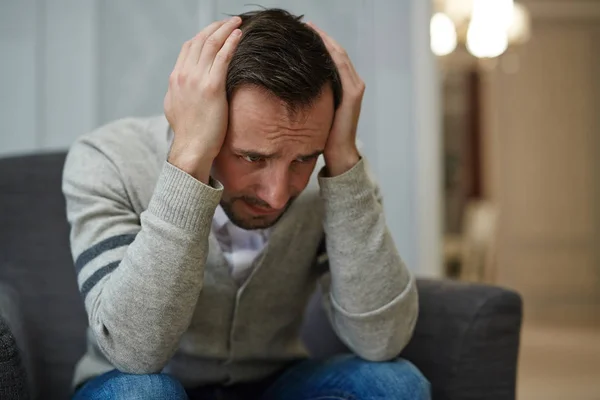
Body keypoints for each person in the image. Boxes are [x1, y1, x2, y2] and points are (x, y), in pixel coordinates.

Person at [64, 8, 430, 400]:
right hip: (139, 382)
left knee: (396, 384)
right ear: (203, 119)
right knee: (142, 394)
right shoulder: (107, 160)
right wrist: (189, 161)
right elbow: (134, 353)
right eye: (253, 158)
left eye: (304, 158)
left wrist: (341, 158)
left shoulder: (339, 176)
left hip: (275, 383)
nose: (276, 195)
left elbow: (382, 342)